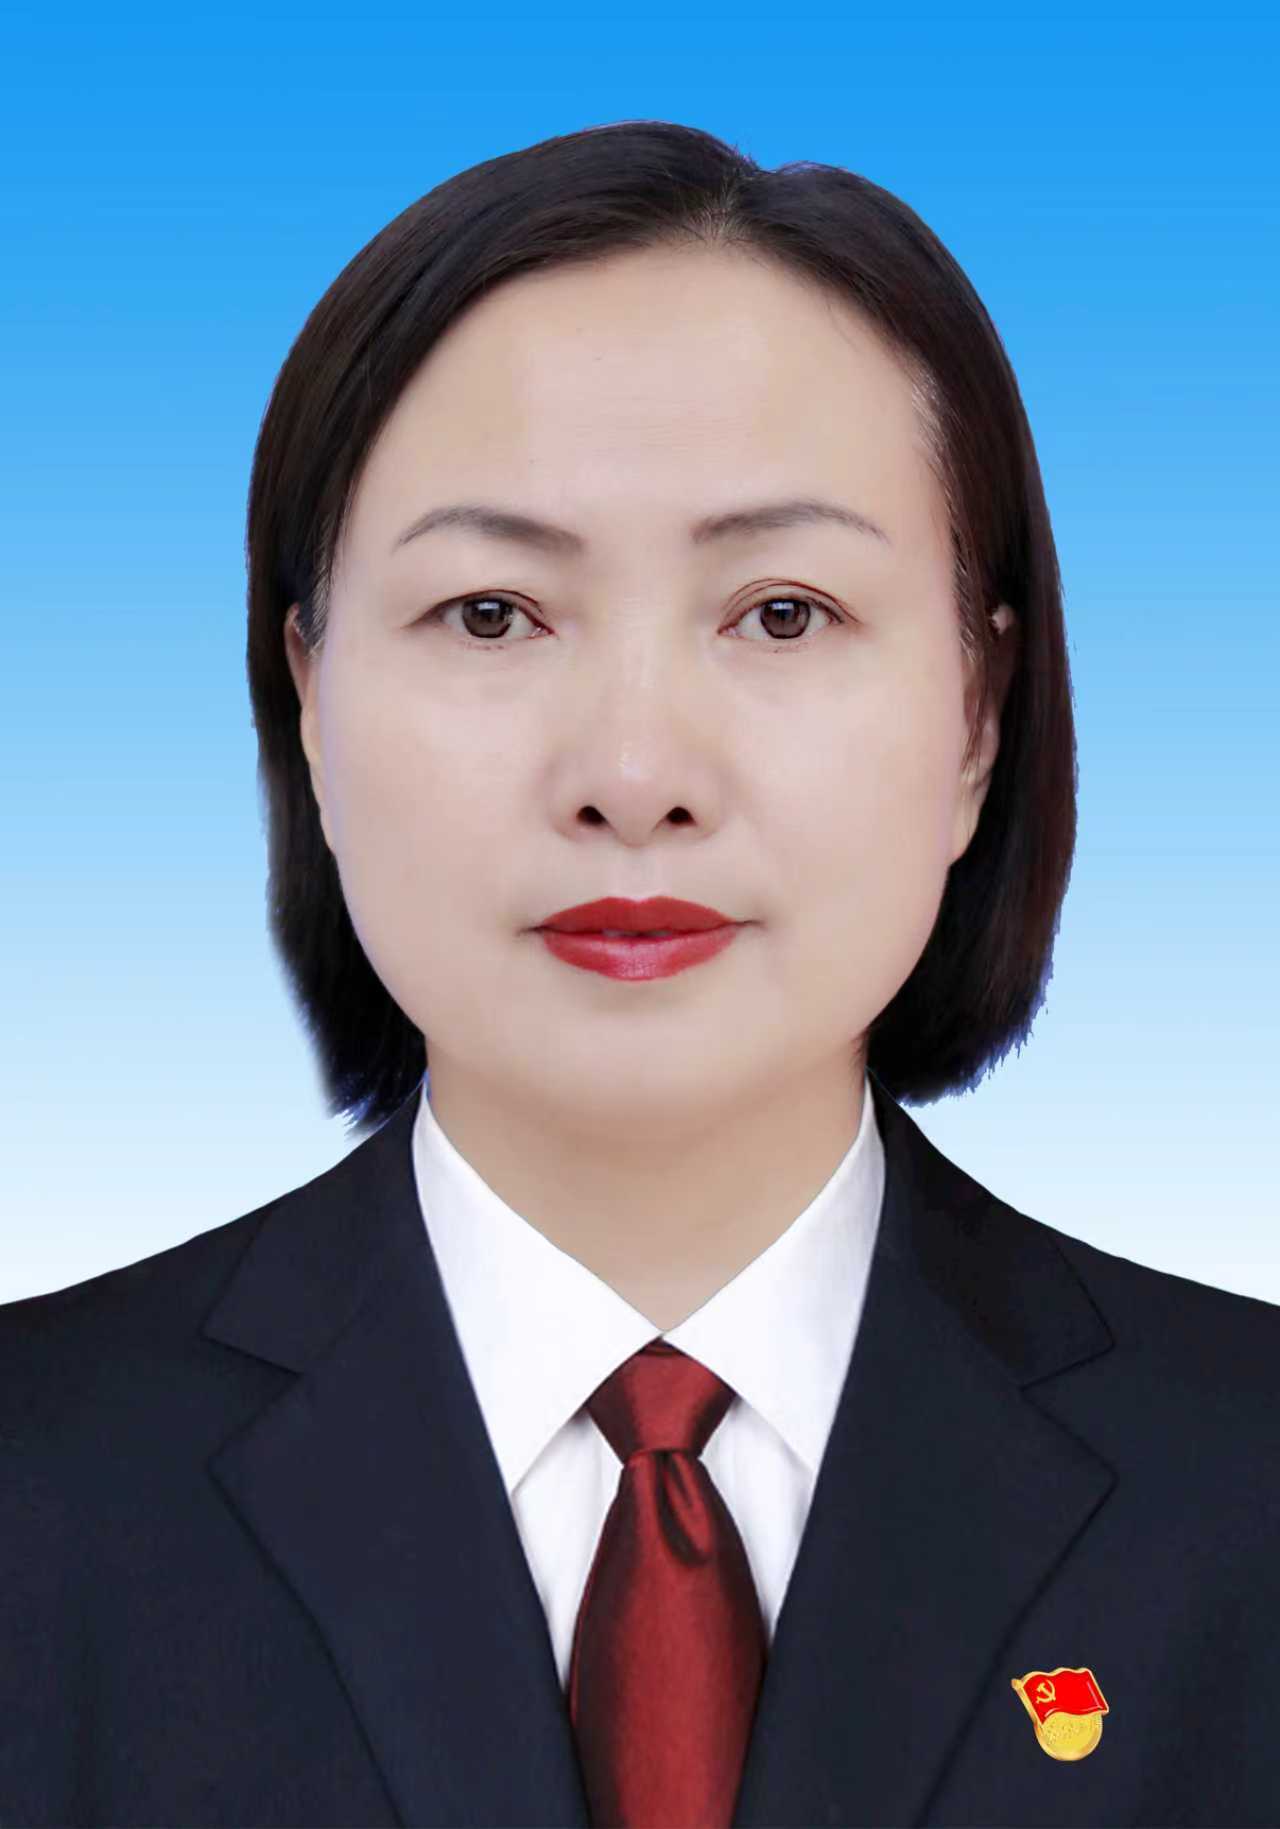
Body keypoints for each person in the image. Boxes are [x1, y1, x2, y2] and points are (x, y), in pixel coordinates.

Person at [2, 119, 1276, 1829]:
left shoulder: (1248, 1489)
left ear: (979, 713)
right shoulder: (34, 1488)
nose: (633, 772)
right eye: (492, 613)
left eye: (782, 612)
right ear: (307, 698)